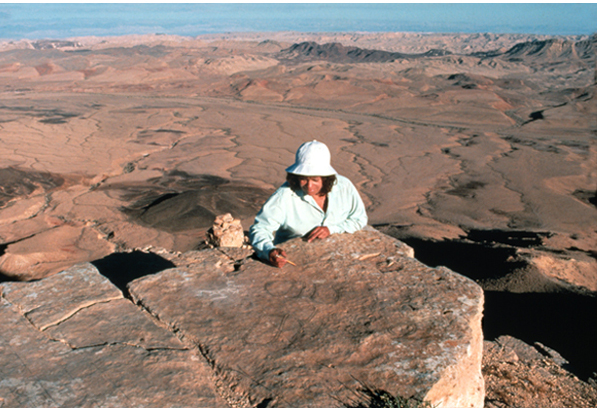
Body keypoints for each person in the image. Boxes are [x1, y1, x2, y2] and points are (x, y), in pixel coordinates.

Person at [249, 140, 368, 267]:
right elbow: (260, 228)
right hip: (295, 260)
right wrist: (269, 251)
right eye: (303, 179)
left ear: (326, 178)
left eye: (315, 180)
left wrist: (331, 229)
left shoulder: (344, 187)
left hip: (337, 257)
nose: (309, 186)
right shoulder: (284, 196)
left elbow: (359, 219)